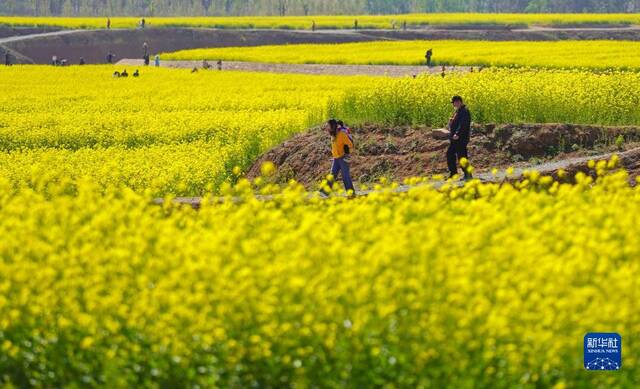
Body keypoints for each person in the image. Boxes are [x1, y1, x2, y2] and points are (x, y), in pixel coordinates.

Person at [323, 119, 355, 196]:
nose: (327, 128)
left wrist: (348, 154)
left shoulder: (342, 135)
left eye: (328, 126)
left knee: (345, 176)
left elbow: (350, 144)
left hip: (343, 158)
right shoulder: (332, 135)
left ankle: (351, 193)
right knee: (332, 174)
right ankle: (324, 192)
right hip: (336, 158)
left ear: (333, 126)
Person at [446, 96, 472, 180]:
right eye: (453, 103)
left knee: (462, 156)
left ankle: (468, 174)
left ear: (460, 102)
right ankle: (453, 173)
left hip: (460, 138)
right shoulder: (458, 111)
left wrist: (457, 133)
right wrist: (451, 122)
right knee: (450, 154)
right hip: (455, 138)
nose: (454, 104)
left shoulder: (464, 111)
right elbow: (457, 123)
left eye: (455, 102)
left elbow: (463, 124)